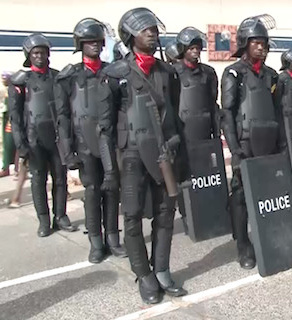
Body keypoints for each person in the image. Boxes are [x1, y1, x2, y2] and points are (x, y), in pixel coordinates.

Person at [98, 7, 187, 303]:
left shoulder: (167, 71)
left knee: (165, 215)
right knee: (133, 216)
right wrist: (110, 171)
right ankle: (144, 275)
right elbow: (105, 128)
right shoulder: (114, 75)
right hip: (132, 155)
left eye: (154, 28)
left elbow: (174, 114)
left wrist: (179, 150)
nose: (152, 33)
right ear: (130, 36)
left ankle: (161, 268)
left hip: (164, 153)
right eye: (144, 29)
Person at [54, 18, 127, 263]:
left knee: (112, 190)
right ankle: (96, 242)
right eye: (89, 42)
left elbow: (122, 109)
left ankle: (113, 238)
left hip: (110, 143)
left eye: (98, 41)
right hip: (84, 145)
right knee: (93, 192)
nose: (95, 45)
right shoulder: (70, 76)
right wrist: (67, 151)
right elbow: (63, 117)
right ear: (80, 45)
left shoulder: (111, 72)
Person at [220, 14, 284, 269]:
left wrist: (282, 144)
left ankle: (267, 236)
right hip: (245, 144)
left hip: (268, 141)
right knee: (240, 195)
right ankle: (243, 244)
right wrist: (235, 150)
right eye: (256, 42)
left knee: (268, 193)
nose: (262, 47)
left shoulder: (271, 75)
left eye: (264, 43)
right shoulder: (232, 73)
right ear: (245, 44)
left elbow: (277, 111)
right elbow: (227, 115)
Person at [8, 33, 76, 237]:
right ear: (29, 56)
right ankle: (44, 221)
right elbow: (15, 116)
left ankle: (61, 216)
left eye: (43, 52)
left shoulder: (57, 77)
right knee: (38, 181)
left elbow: (68, 109)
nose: (39, 56)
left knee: (60, 179)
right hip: (34, 138)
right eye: (35, 53)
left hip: (56, 137)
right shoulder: (21, 81)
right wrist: (21, 144)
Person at [172, 26, 219, 235]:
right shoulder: (173, 72)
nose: (195, 52)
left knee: (207, 176)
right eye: (191, 48)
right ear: (183, 49)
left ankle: (209, 212)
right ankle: (186, 215)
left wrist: (216, 133)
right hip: (183, 133)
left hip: (204, 131)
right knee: (185, 177)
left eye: (198, 48)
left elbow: (213, 103)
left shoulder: (208, 73)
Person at [1, 72, 14, 177]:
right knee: (6, 144)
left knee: (12, 144)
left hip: (13, 121)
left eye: (5, 78)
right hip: (6, 119)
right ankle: (6, 167)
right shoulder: (6, 91)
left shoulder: (14, 90)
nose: (3, 80)